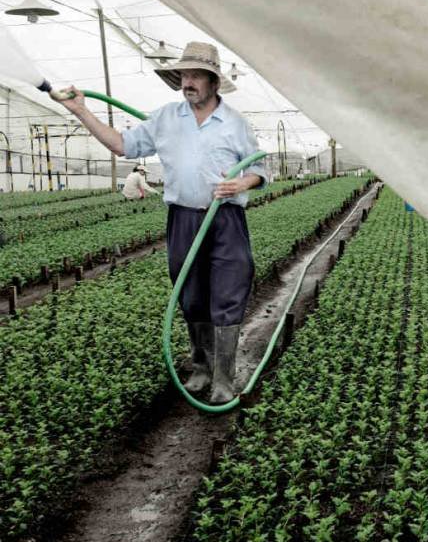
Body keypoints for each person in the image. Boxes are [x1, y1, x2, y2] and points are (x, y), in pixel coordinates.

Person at [51, 41, 268, 404]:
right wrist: (81, 112)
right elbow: (121, 145)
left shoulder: (235, 123)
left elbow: (260, 168)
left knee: (229, 294)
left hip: (225, 219)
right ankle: (201, 367)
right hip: (183, 218)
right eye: (184, 75)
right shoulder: (166, 118)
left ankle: (224, 378)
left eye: (197, 75)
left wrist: (242, 182)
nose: (188, 81)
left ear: (214, 82)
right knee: (191, 295)